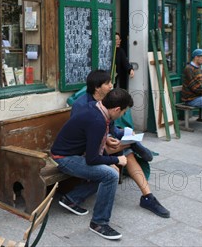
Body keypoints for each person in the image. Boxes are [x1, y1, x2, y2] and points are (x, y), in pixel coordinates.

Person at [81, 70, 169, 219]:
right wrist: (108, 137)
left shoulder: (108, 100)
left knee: (126, 152)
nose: (111, 86)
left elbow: (112, 127)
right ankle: (134, 145)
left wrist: (122, 133)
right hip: (86, 146)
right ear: (97, 87)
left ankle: (148, 197)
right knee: (123, 148)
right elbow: (83, 133)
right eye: (108, 83)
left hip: (103, 141)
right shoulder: (83, 104)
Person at [50, 88, 133, 240]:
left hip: (71, 153)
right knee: (111, 175)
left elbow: (93, 143)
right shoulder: (98, 121)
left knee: (106, 172)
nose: (122, 115)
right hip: (63, 158)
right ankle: (99, 223)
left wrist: (107, 151)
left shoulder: (96, 108)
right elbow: (92, 159)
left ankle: (71, 199)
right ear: (116, 109)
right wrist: (115, 160)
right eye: (123, 112)